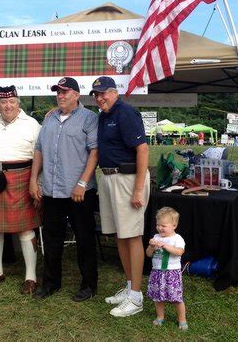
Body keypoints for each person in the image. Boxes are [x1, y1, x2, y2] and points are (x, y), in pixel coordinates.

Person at [30, 76, 99, 302]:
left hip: (79, 192)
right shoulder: (49, 119)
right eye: (58, 92)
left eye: (65, 92)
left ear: (77, 95)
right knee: (51, 240)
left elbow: (94, 153)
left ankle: (89, 285)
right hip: (52, 190)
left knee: (84, 239)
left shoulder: (89, 119)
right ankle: (51, 283)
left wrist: (81, 182)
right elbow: (39, 150)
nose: (60, 96)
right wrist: (34, 180)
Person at [90, 76, 150, 317]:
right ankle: (128, 287)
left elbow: (143, 149)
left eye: (103, 93)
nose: (99, 98)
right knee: (120, 236)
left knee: (132, 236)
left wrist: (137, 189)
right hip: (109, 179)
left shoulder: (125, 113)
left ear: (115, 92)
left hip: (128, 180)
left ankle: (136, 298)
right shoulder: (104, 116)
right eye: (96, 94)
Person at [0, 86, 41, 295]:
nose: (8, 106)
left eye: (12, 101)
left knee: (25, 228)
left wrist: (37, 182)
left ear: (18, 102)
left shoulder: (32, 125)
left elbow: (41, 157)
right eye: (3, 102)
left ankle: (30, 276)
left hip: (21, 179)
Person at [146, 207, 187, 331]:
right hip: (157, 272)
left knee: (176, 298)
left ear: (174, 225)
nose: (159, 228)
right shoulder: (156, 237)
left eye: (163, 225)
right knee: (158, 297)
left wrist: (165, 246)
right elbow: (148, 254)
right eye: (158, 225)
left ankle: (182, 319)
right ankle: (160, 316)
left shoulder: (177, 239)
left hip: (171, 273)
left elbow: (179, 252)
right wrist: (152, 247)